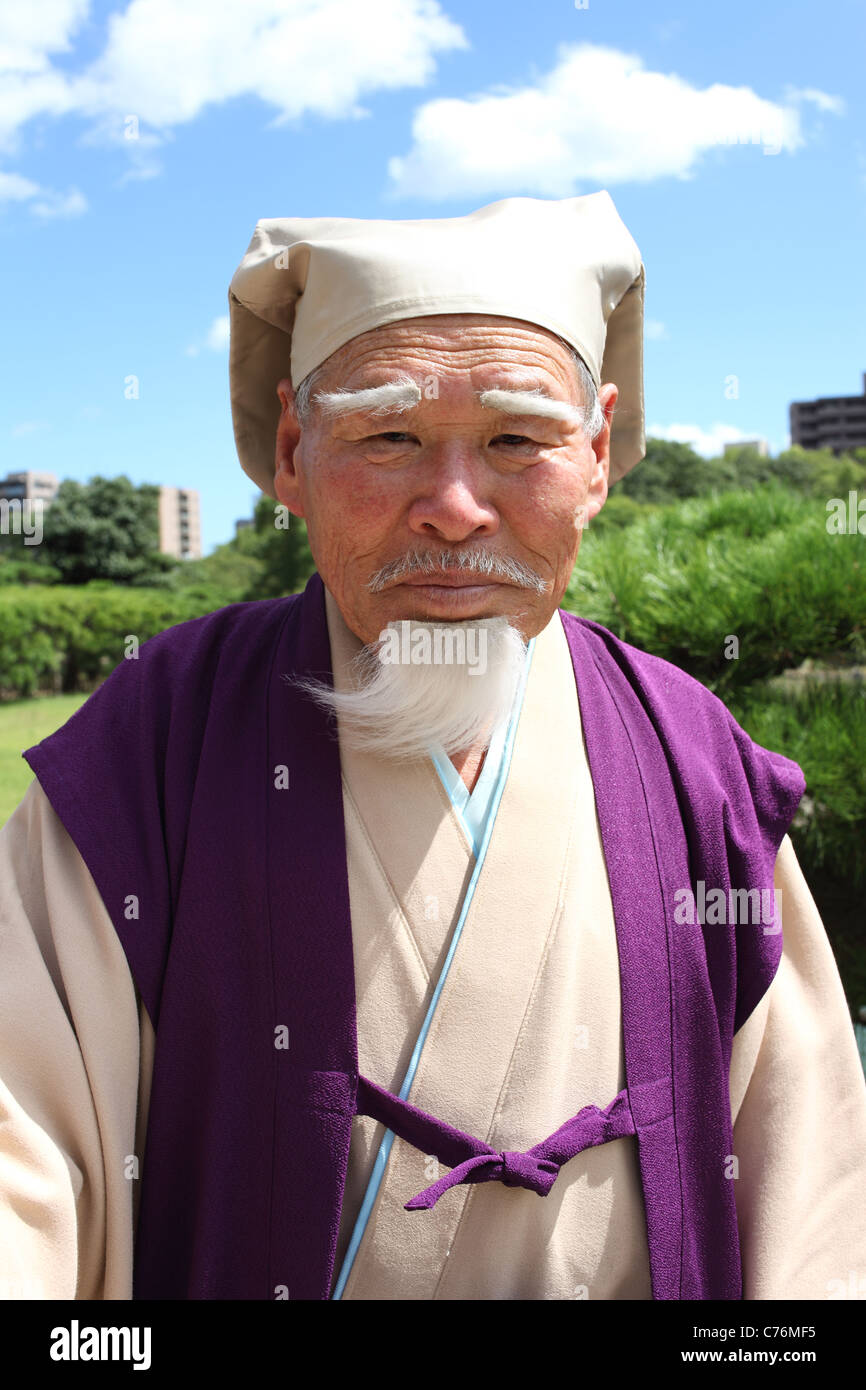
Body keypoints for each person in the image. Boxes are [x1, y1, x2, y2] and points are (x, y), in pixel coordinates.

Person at [2, 193, 865, 1302]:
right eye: (387, 435)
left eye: (518, 439)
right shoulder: (147, 751)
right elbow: (22, 1146)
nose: (454, 507)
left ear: (595, 455)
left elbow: (809, 1180)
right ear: (289, 453)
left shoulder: (689, 754)